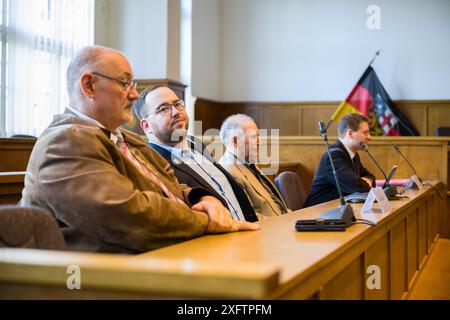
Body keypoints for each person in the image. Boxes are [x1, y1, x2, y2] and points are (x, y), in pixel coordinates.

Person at [19, 46, 258, 254]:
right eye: (124, 83)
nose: (134, 94)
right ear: (89, 85)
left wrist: (203, 198)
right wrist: (207, 220)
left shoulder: (128, 139)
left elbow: (172, 185)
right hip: (97, 280)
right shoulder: (65, 141)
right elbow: (126, 215)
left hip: (160, 256)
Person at [134, 86, 258, 222]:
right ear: (146, 125)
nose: (176, 112)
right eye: (164, 109)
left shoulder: (195, 143)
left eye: (177, 104)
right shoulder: (153, 165)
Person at [218, 114, 289, 217]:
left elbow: (277, 207)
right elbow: (248, 218)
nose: (260, 142)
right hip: (271, 230)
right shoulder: (230, 171)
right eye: (253, 137)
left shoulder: (249, 165)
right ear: (235, 141)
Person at [303, 113, 376, 207]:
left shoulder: (353, 154)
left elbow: (371, 177)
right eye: (365, 133)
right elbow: (357, 187)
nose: (370, 137)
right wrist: (363, 182)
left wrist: (366, 180)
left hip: (337, 212)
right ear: (350, 133)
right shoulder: (333, 156)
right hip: (316, 214)